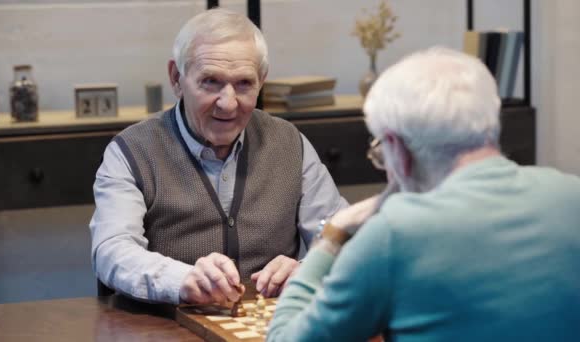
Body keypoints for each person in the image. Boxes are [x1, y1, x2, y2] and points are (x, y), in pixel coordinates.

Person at [268, 47, 580, 341]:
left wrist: (333, 234)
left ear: (398, 150)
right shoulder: (571, 196)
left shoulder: (393, 233)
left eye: (380, 151)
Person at [89, 8, 347, 305]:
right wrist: (181, 280)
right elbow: (112, 250)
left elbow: (344, 238)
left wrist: (309, 270)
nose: (228, 103)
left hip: (268, 328)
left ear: (262, 80)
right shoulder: (131, 151)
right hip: (168, 326)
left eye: (244, 84)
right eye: (211, 82)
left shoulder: (290, 144)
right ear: (176, 78)